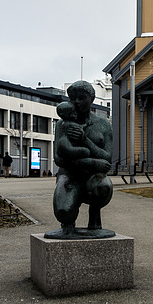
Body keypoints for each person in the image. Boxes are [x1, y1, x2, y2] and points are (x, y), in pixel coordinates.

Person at [49, 81, 113, 237]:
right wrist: (91, 162)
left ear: (91, 99)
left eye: (81, 97)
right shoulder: (62, 124)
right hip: (70, 175)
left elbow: (107, 158)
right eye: (73, 98)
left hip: (93, 177)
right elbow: (58, 159)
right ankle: (67, 224)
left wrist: (85, 140)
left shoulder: (103, 124)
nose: (77, 102)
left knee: (103, 187)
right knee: (63, 211)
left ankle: (95, 220)